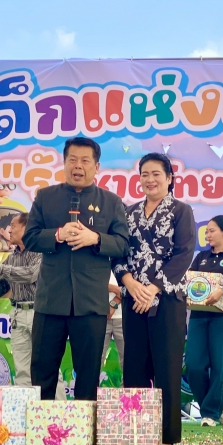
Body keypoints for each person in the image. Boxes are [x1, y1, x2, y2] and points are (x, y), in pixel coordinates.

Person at [23, 136, 129, 401]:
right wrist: (57, 234)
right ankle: (43, 424)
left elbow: (123, 244)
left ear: (96, 166)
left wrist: (96, 239)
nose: (78, 166)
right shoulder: (46, 197)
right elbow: (30, 238)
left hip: (90, 303)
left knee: (88, 375)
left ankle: (85, 427)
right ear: (64, 163)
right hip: (50, 300)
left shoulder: (111, 202)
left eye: (84, 161)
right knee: (42, 373)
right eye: (72, 160)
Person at [115, 152, 196, 445]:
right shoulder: (128, 213)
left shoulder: (181, 211)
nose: (150, 180)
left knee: (167, 368)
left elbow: (184, 253)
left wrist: (153, 289)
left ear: (169, 178)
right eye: (144, 174)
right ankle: (136, 435)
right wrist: (129, 282)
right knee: (134, 367)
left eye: (156, 174)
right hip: (133, 299)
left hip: (167, 301)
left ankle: (167, 437)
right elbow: (118, 253)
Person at [185, 215, 223, 427]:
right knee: (193, 365)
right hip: (198, 316)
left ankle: (210, 414)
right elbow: (189, 280)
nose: (207, 235)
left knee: (219, 365)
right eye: (206, 231)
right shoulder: (201, 257)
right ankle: (212, 409)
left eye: (211, 230)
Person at [0, 212, 42, 387]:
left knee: (46, 367)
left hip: (39, 313)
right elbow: (0, 289)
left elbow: (29, 275)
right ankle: (26, 403)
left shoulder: (41, 252)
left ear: (27, 227)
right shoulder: (12, 257)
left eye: (13, 226)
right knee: (22, 369)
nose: (9, 230)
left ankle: (57, 404)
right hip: (17, 314)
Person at [102, 273, 125, 369]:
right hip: (100, 317)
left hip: (123, 317)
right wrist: (115, 289)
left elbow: (128, 289)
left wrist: (113, 304)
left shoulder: (122, 265)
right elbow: (92, 284)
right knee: (96, 357)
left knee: (128, 359)